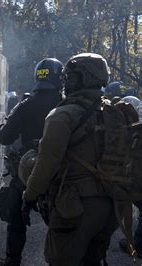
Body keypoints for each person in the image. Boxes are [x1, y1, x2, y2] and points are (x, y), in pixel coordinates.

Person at [22, 53, 117, 265]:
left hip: (76, 207)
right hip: (112, 205)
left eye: (71, 76)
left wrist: (29, 196)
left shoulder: (63, 114)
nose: (66, 81)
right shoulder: (113, 112)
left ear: (82, 78)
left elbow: (47, 163)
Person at [0, 58, 63, 265]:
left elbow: (5, 137)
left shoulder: (25, 105)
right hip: (60, 173)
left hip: (28, 171)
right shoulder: (66, 105)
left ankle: (12, 260)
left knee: (15, 219)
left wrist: (2, 125)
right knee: (61, 224)